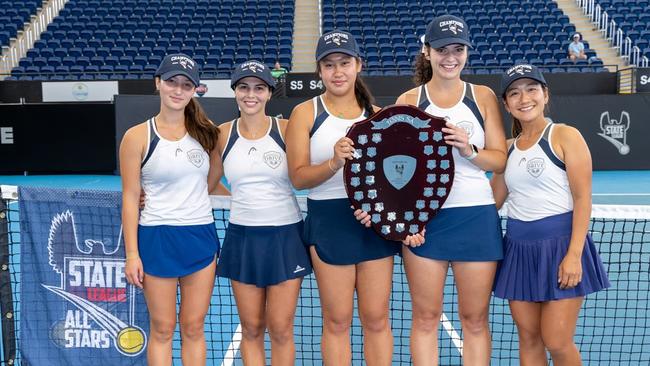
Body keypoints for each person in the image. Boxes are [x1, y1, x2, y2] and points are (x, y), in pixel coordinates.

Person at [394, 14, 507, 365]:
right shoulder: (409, 100)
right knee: (426, 318)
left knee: (474, 320)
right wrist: (407, 221)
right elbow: (395, 172)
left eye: (458, 49)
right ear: (427, 52)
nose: (450, 57)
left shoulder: (483, 96)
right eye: (442, 49)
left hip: (476, 218)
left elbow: (499, 160)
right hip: (426, 224)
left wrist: (468, 149)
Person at [285, 30, 402, 365]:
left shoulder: (380, 116)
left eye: (344, 63)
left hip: (374, 223)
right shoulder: (305, 114)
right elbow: (298, 177)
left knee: (377, 318)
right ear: (319, 71)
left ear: (358, 66)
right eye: (329, 64)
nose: (338, 71)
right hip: (329, 222)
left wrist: (389, 214)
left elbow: (393, 179)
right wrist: (334, 162)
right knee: (337, 321)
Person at [491, 64, 610, 365]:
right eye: (514, 93)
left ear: (545, 94)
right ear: (506, 104)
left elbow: (583, 199)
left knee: (556, 340)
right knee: (529, 340)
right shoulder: (507, 150)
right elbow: (492, 202)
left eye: (532, 89)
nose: (524, 98)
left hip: (560, 247)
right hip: (517, 250)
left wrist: (574, 254)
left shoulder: (565, 136)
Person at [120, 53, 222, 365]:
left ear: (195, 90)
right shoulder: (137, 136)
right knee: (163, 328)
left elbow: (214, 177)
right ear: (158, 84)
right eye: (171, 82)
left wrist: (189, 199)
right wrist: (132, 254)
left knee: (193, 326)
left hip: (200, 236)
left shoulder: (208, 134)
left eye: (186, 84)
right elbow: (129, 196)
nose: (178, 90)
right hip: (156, 239)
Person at [215, 60, 312, 366]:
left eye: (259, 88)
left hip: (286, 236)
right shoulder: (222, 134)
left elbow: (309, 169)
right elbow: (207, 183)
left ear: (269, 93)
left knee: (281, 329)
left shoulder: (287, 130)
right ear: (235, 92)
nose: (251, 94)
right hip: (242, 237)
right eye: (244, 87)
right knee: (252, 328)